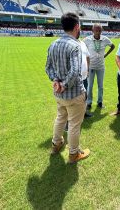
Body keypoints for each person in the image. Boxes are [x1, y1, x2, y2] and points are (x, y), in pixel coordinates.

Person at [45, 12, 90, 163]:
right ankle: (73, 153)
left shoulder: (53, 44)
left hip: (59, 94)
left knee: (60, 119)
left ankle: (56, 144)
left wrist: (56, 81)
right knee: (74, 125)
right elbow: (75, 71)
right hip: (74, 93)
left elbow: (48, 68)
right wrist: (63, 85)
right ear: (77, 27)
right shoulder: (75, 46)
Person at [83, 24, 115, 109]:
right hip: (91, 66)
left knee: (100, 85)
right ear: (92, 31)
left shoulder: (105, 39)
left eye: (99, 30)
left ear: (101, 31)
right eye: (96, 30)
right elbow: (82, 48)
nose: (98, 32)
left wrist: (106, 54)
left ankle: (100, 102)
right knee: (90, 85)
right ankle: (89, 102)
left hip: (101, 66)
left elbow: (113, 46)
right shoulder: (87, 39)